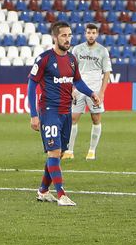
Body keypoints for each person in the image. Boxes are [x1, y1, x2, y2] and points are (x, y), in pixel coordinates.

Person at [26, 21, 96, 206]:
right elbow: (31, 86)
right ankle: (62, 195)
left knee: (58, 153)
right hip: (49, 112)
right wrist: (34, 115)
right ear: (55, 38)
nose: (68, 39)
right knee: (54, 152)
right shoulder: (44, 59)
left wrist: (92, 93)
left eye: (70, 35)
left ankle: (42, 191)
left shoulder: (72, 59)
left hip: (66, 112)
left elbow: (78, 82)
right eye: (64, 35)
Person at [68, 23, 113, 161]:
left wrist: (102, 92)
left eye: (93, 33)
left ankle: (92, 150)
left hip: (95, 89)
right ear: (85, 34)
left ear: (97, 34)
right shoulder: (77, 49)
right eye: (88, 32)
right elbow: (70, 70)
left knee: (95, 119)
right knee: (73, 118)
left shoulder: (102, 51)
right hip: (79, 88)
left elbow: (106, 73)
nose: (91, 35)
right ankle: (69, 150)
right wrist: (71, 88)